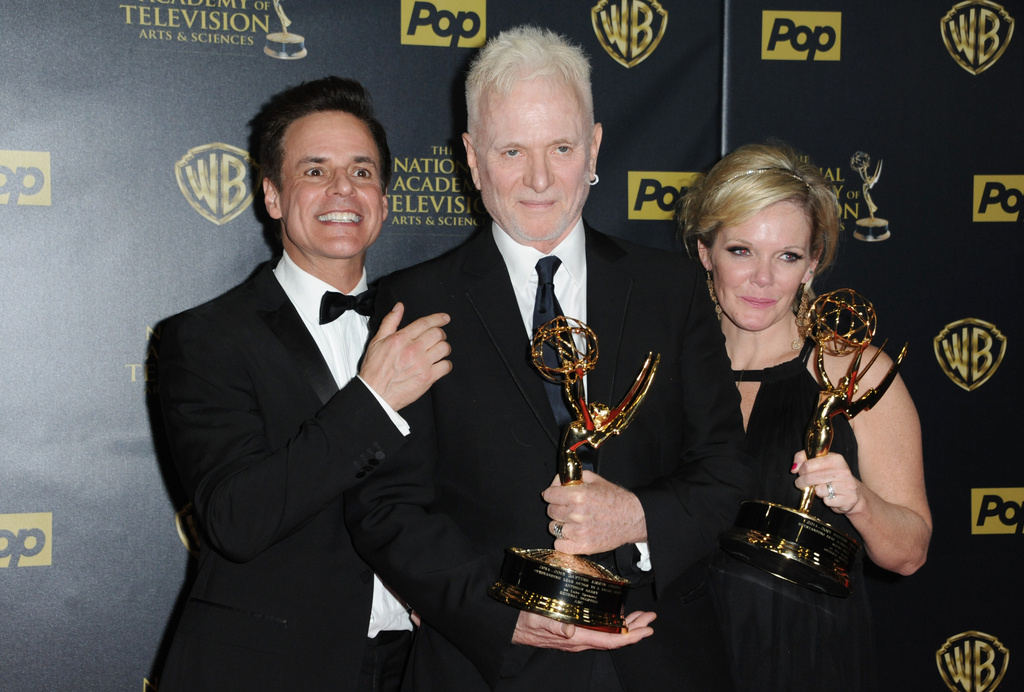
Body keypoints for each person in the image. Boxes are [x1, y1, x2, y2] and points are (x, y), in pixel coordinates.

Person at [344, 26, 752, 692]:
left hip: (658, 661)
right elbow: (385, 507)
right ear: (473, 161)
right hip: (487, 668)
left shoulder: (671, 290)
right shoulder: (413, 301)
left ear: (593, 147)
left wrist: (641, 517)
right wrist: (504, 606)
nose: (539, 179)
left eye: (561, 148)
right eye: (512, 151)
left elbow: (727, 469)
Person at [157, 76, 452, 691]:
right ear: (271, 194)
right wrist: (372, 401)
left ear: (385, 198)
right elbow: (236, 519)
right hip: (268, 667)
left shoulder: (430, 328)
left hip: (420, 666)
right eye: (315, 171)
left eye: (362, 171)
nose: (343, 189)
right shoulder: (204, 339)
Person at [676, 142, 932, 692]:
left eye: (788, 256)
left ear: (813, 262)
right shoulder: (668, 372)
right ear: (705, 252)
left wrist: (859, 500)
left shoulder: (854, 372)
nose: (763, 279)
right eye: (741, 251)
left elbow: (909, 553)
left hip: (807, 660)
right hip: (679, 654)